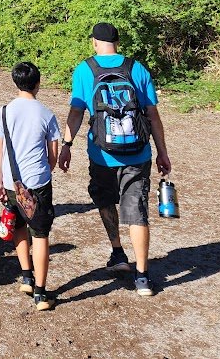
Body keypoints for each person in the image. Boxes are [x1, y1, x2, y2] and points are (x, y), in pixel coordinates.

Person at [57, 22, 172, 298]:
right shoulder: (137, 69)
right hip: (138, 154)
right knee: (137, 212)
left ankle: (118, 252)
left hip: (102, 155)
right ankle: (142, 276)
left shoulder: (85, 70)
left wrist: (66, 144)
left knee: (106, 201)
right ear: (118, 42)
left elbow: (76, 112)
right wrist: (163, 152)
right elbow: (152, 115)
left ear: (94, 42)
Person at [0, 62, 61, 311]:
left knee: (19, 227)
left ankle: (26, 276)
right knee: (40, 235)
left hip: (13, 182)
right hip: (38, 182)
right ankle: (41, 295)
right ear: (38, 83)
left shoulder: (3, 112)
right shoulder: (46, 114)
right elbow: (52, 156)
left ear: (15, 82)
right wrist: (44, 171)